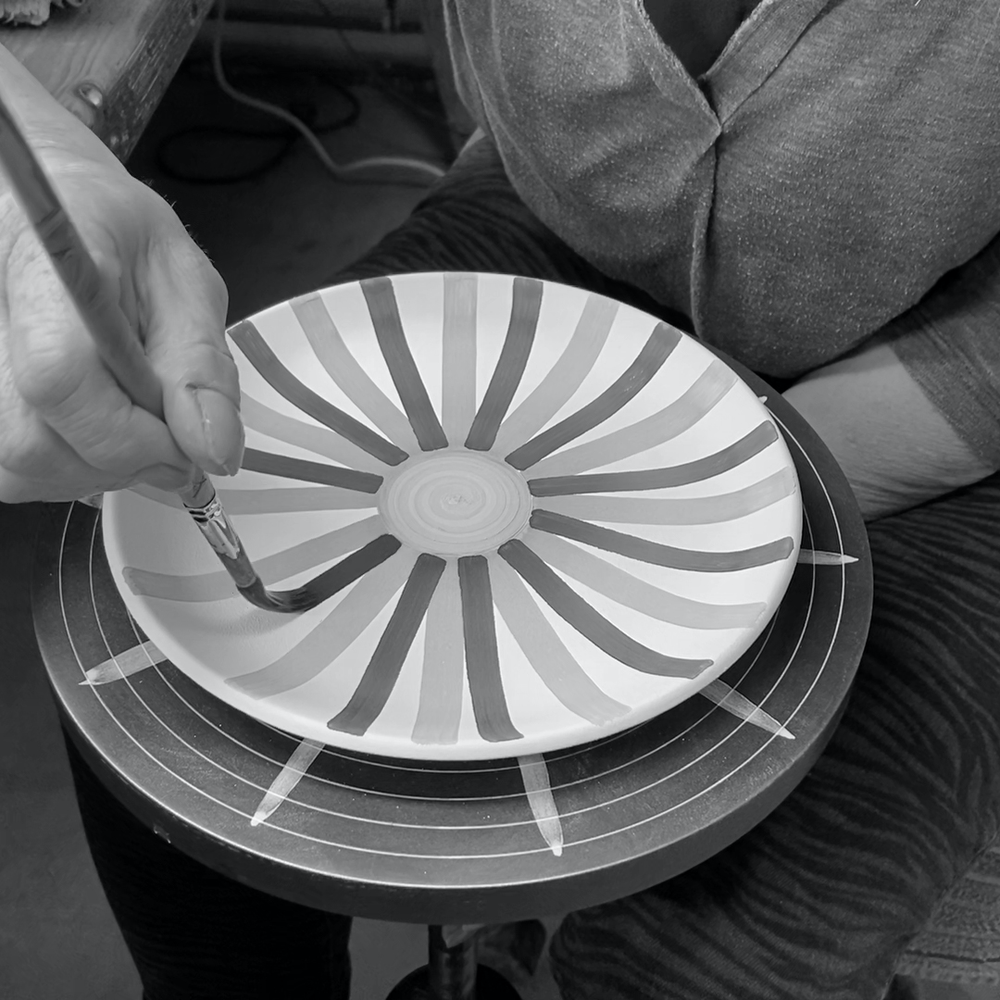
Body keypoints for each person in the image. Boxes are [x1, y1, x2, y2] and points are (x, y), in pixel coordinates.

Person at [3, 1, 1000, 997]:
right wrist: (38, 171)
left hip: (948, 344)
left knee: (716, 954)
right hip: (569, 220)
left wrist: (690, 491)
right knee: (161, 730)